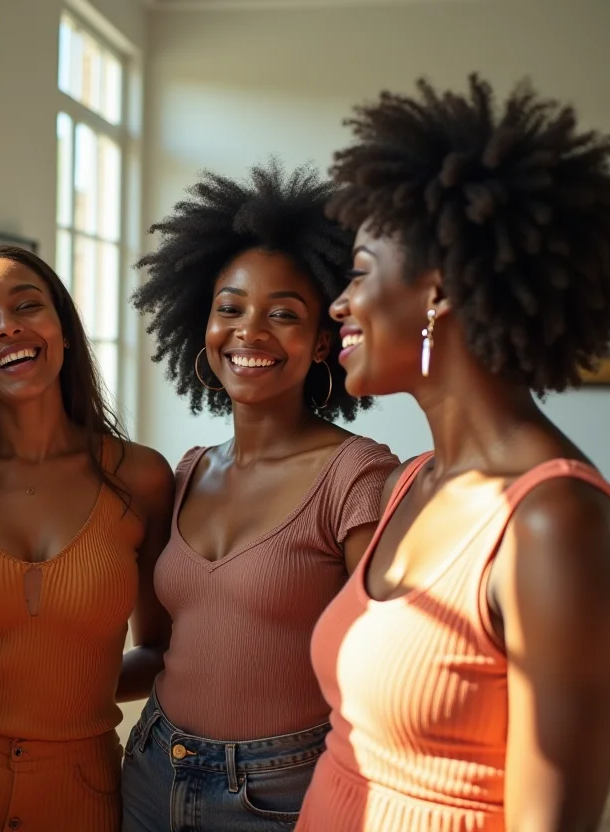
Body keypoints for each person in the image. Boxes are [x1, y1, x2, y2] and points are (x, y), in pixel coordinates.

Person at [298, 74, 610, 831]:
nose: (338, 303)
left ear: (438, 292)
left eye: (359, 272)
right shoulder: (410, 482)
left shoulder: (556, 526)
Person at [119, 161, 399, 831]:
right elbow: (158, 649)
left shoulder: (356, 477)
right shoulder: (183, 474)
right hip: (154, 767)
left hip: (279, 793)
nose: (250, 332)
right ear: (201, 324)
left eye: (284, 314)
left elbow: (384, 677)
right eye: (231, 308)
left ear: (325, 339)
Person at [0, 245, 175, 832]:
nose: (7, 327)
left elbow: (161, 652)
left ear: (64, 331)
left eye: (27, 305)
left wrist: (64, 697)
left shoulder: (141, 477)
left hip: (82, 791)